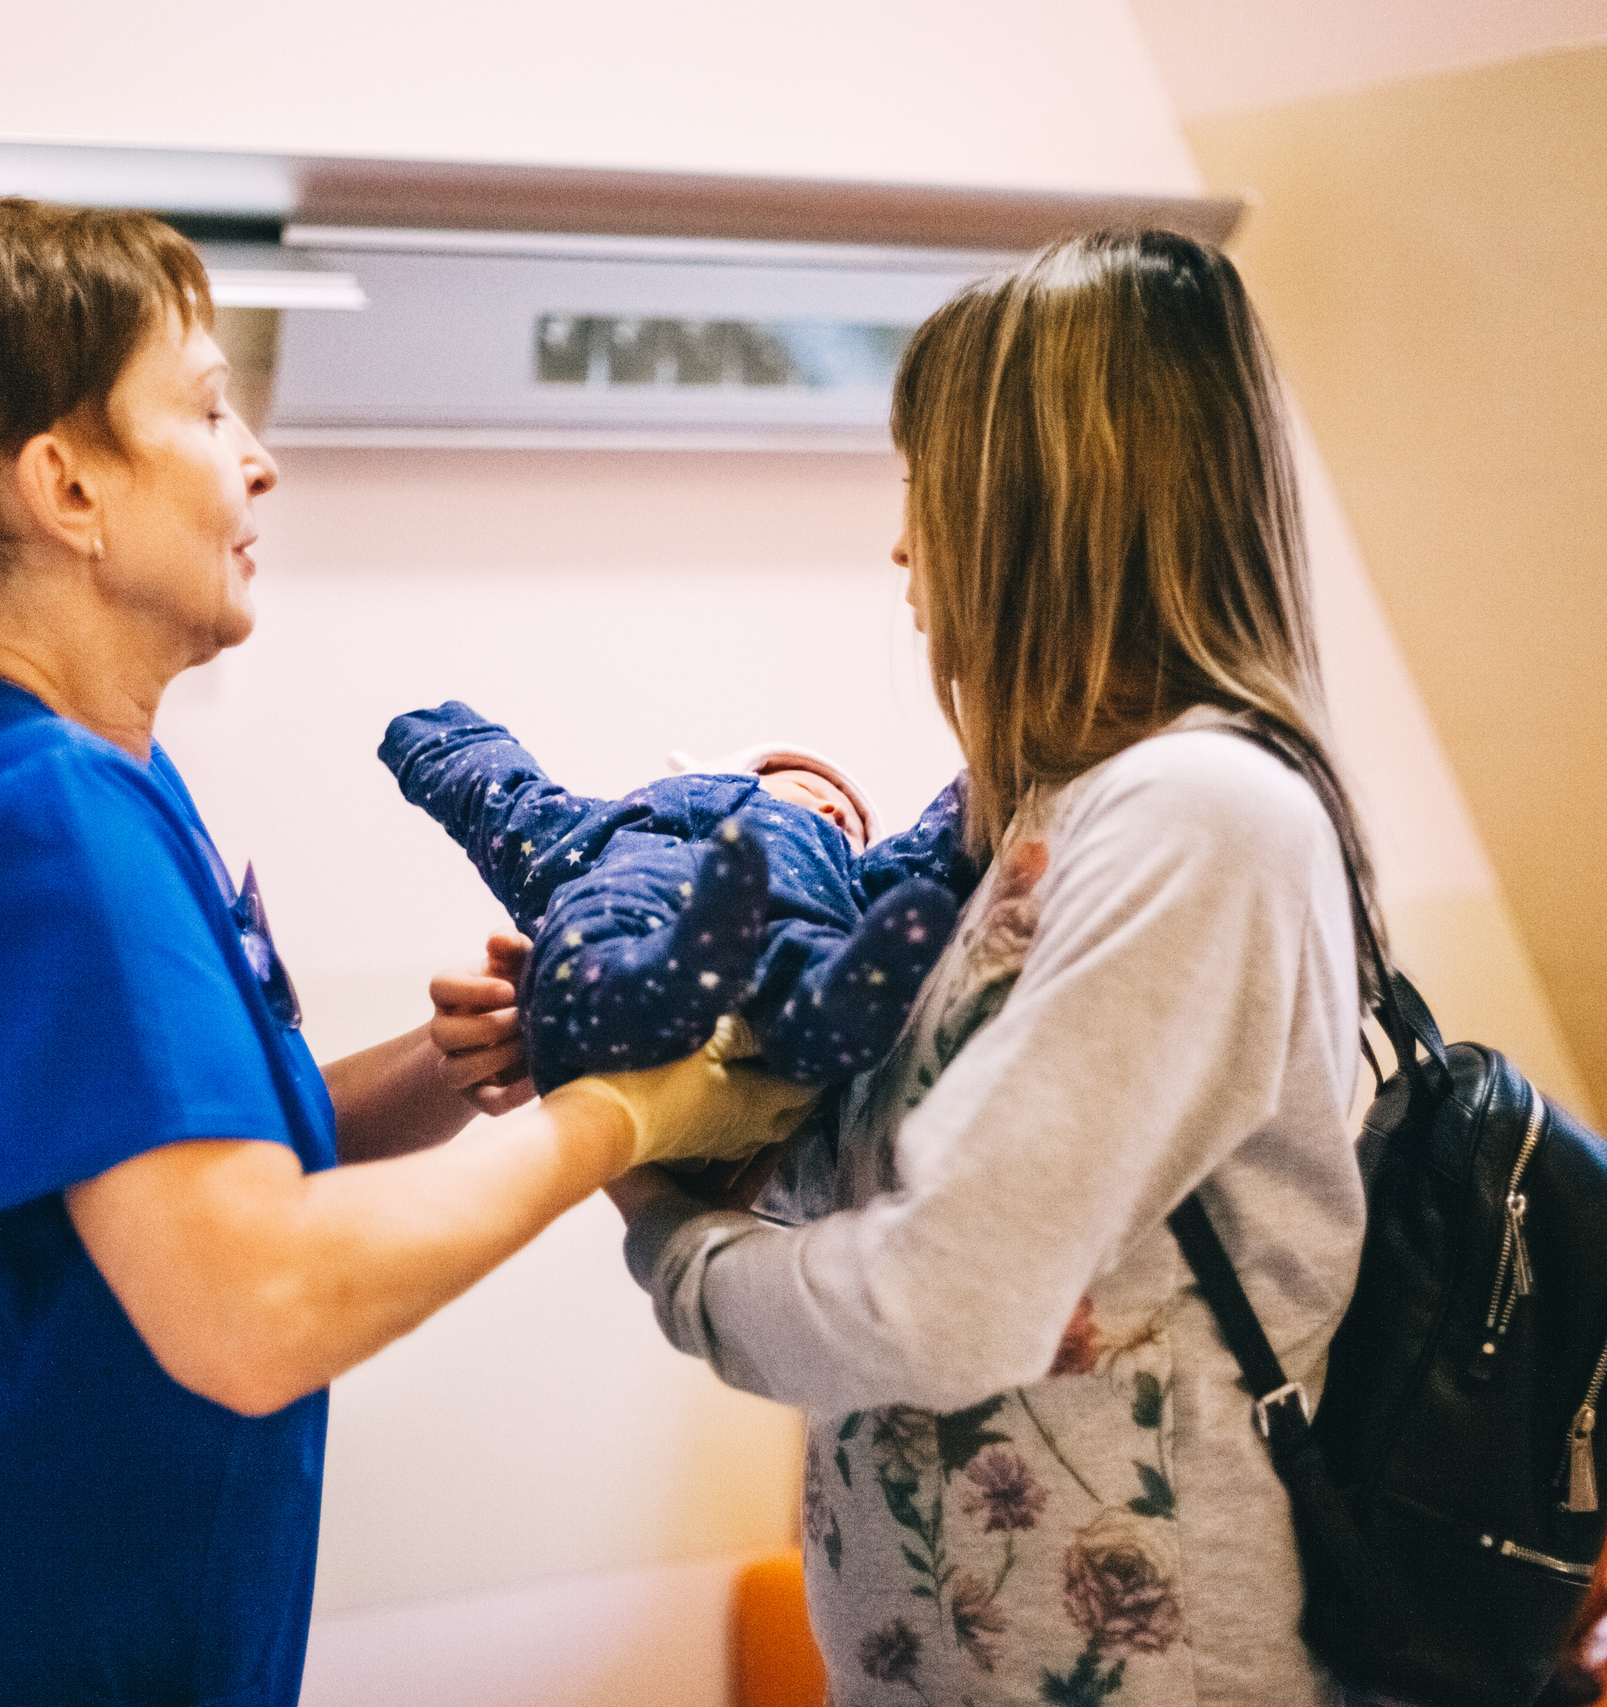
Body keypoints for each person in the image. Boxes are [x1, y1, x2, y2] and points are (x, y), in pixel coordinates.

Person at [0, 197, 803, 1706]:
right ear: (68, 486)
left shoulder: (37, 763)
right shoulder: (42, 819)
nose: (258, 459)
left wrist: (456, 1066)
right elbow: (255, 1303)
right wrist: (622, 1118)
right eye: (211, 409)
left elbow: (177, 1166)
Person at [609, 229, 1390, 1706]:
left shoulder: (1200, 818)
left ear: (1032, 507)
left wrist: (665, 1234)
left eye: (924, 487)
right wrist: (660, 1073)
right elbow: (890, 1185)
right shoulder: (1039, 812)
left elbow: (940, 1302)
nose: (902, 548)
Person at [380, 701, 977, 1089]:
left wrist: (981, 786)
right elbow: (517, 806)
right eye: (810, 788)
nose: (832, 811)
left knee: (804, 954)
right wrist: (450, 742)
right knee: (603, 920)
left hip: (783, 932)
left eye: (850, 825)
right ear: (738, 775)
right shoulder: (630, 822)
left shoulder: (842, 876)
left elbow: (930, 849)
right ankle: (651, 974)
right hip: (632, 896)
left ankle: (824, 1013)